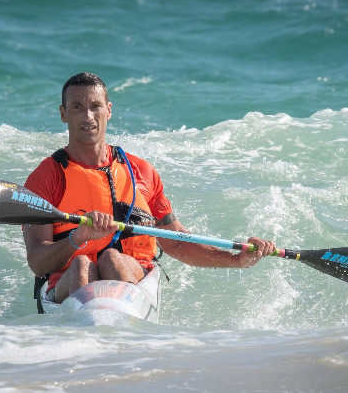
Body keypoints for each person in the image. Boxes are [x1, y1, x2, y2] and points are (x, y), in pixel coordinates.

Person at [23, 72, 276, 304]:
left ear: (108, 110)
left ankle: (113, 330)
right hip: (68, 286)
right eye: (77, 107)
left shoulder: (141, 172)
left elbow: (178, 243)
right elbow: (38, 262)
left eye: (95, 106)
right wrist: (76, 238)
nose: (88, 116)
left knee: (112, 260)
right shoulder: (46, 178)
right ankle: (86, 332)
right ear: (63, 114)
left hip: (132, 279)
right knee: (80, 265)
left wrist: (237, 260)